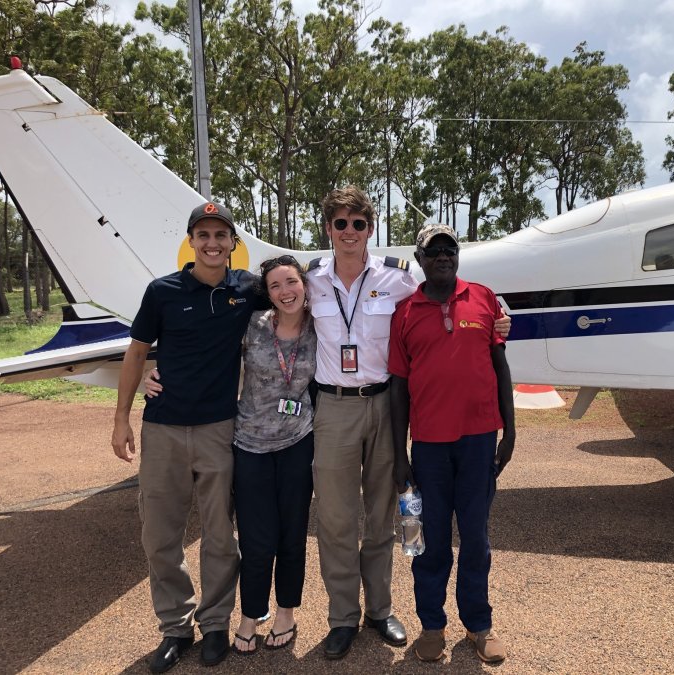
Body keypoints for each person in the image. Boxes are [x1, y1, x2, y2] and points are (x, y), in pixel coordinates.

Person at [306, 187, 512, 660]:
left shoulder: (397, 280)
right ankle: (342, 618)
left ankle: (380, 611)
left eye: (358, 224)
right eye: (341, 224)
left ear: (370, 229)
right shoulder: (311, 280)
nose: (350, 232)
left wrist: (505, 322)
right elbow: (271, 313)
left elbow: (468, 306)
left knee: (384, 516)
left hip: (384, 406)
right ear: (328, 230)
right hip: (334, 407)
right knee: (336, 519)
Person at [111, 202, 269, 673]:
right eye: (204, 235)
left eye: (221, 235)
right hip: (162, 427)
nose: (213, 243)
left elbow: (296, 290)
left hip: (220, 427)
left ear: (233, 244)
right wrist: (122, 416)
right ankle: (176, 628)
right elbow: (137, 351)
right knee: (161, 534)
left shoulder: (247, 289)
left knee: (220, 532)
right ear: (191, 241)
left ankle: (215, 623)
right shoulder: (162, 292)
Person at [389, 223, 515, 664]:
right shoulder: (404, 312)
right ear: (420, 260)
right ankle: (432, 626)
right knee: (429, 541)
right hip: (428, 448)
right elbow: (398, 388)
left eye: (450, 249)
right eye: (433, 251)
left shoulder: (482, 298)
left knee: (476, 539)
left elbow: (500, 366)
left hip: (479, 441)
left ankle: (479, 625)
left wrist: (510, 430)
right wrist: (398, 454)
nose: (443, 256)